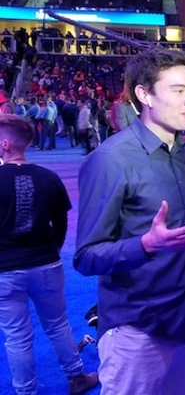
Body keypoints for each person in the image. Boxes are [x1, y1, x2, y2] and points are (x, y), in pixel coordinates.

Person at [74, 47, 185, 394]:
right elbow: (85, 257)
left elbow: (177, 234)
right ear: (144, 95)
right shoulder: (110, 160)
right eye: (178, 91)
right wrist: (146, 245)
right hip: (137, 329)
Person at [0, 115, 99, 395]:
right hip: (46, 263)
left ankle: (26, 392)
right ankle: (77, 378)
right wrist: (52, 250)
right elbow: (62, 224)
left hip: (5, 269)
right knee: (57, 325)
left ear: (5, 144)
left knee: (17, 337)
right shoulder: (49, 178)